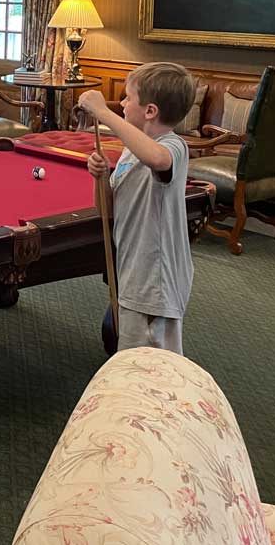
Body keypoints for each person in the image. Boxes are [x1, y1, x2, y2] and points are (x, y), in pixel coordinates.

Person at [76, 61, 196, 355]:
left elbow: (158, 159)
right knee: (130, 357)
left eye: (128, 98)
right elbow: (107, 208)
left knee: (151, 366)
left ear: (150, 111)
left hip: (155, 281)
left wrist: (103, 112)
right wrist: (101, 177)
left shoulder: (174, 146)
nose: (123, 103)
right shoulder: (132, 150)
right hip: (133, 273)